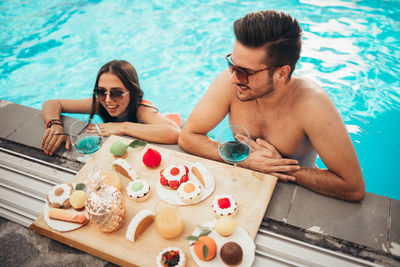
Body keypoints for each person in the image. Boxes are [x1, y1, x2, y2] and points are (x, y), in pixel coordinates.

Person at [179, 10, 365, 201]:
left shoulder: (312, 105)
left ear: (281, 74)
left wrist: (281, 167)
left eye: (244, 72)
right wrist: (246, 160)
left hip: (297, 194)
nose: (234, 78)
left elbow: (352, 186)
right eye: (232, 64)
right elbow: (188, 136)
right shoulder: (231, 83)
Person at [41, 60, 180, 155]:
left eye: (116, 93)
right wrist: (55, 125)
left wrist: (123, 127)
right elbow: (52, 103)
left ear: (131, 91)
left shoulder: (142, 109)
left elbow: (174, 132)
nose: (107, 100)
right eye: (102, 91)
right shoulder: (99, 103)